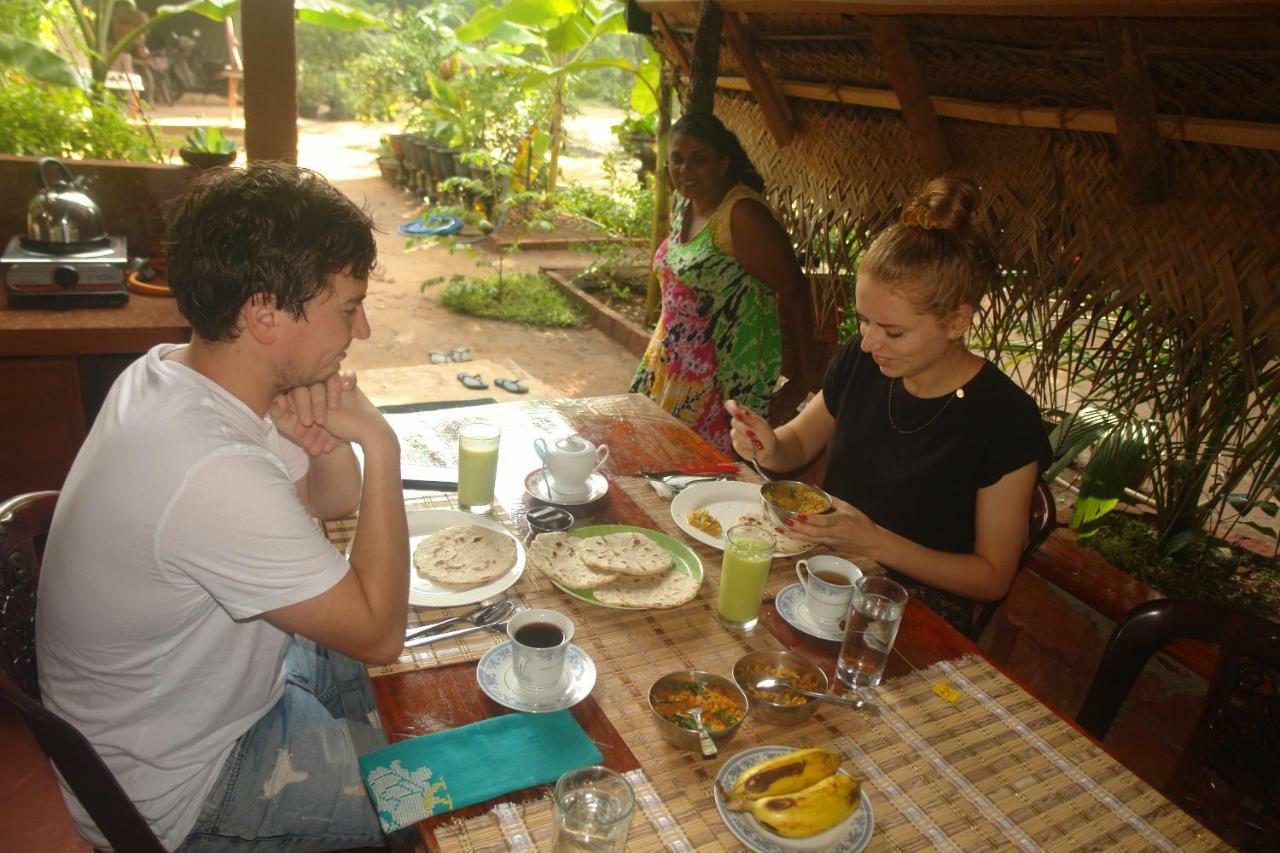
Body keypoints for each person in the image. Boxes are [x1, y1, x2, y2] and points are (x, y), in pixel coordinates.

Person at [36, 163, 409, 851]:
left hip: (204, 698)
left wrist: (318, 437)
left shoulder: (177, 372)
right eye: (347, 306)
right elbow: (379, 627)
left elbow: (334, 499)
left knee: (406, 693)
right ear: (264, 312)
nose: (362, 329)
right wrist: (381, 444)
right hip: (180, 782)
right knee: (428, 787)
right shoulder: (208, 468)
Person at [727, 176, 1052, 633]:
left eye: (893, 331)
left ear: (957, 320)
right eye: (864, 320)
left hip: (912, 613)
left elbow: (993, 577)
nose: (870, 342)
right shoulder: (863, 363)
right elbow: (797, 443)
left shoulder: (1004, 419)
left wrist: (874, 542)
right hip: (824, 575)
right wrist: (768, 445)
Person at [630, 111, 821, 453]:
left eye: (698, 160)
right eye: (677, 160)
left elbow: (795, 289)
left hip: (720, 380)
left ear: (722, 163)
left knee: (699, 478)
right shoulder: (684, 204)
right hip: (670, 367)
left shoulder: (743, 215)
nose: (685, 171)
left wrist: (803, 379)